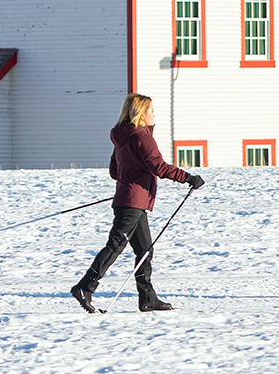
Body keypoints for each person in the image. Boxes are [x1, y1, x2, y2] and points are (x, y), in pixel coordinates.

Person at [70, 93, 204, 313]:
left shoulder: (122, 137)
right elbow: (159, 167)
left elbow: (115, 172)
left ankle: (147, 298)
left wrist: (131, 178)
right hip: (133, 201)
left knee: (144, 251)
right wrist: (188, 178)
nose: (154, 114)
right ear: (141, 114)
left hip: (129, 199)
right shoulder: (142, 137)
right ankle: (85, 287)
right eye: (151, 110)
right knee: (116, 245)